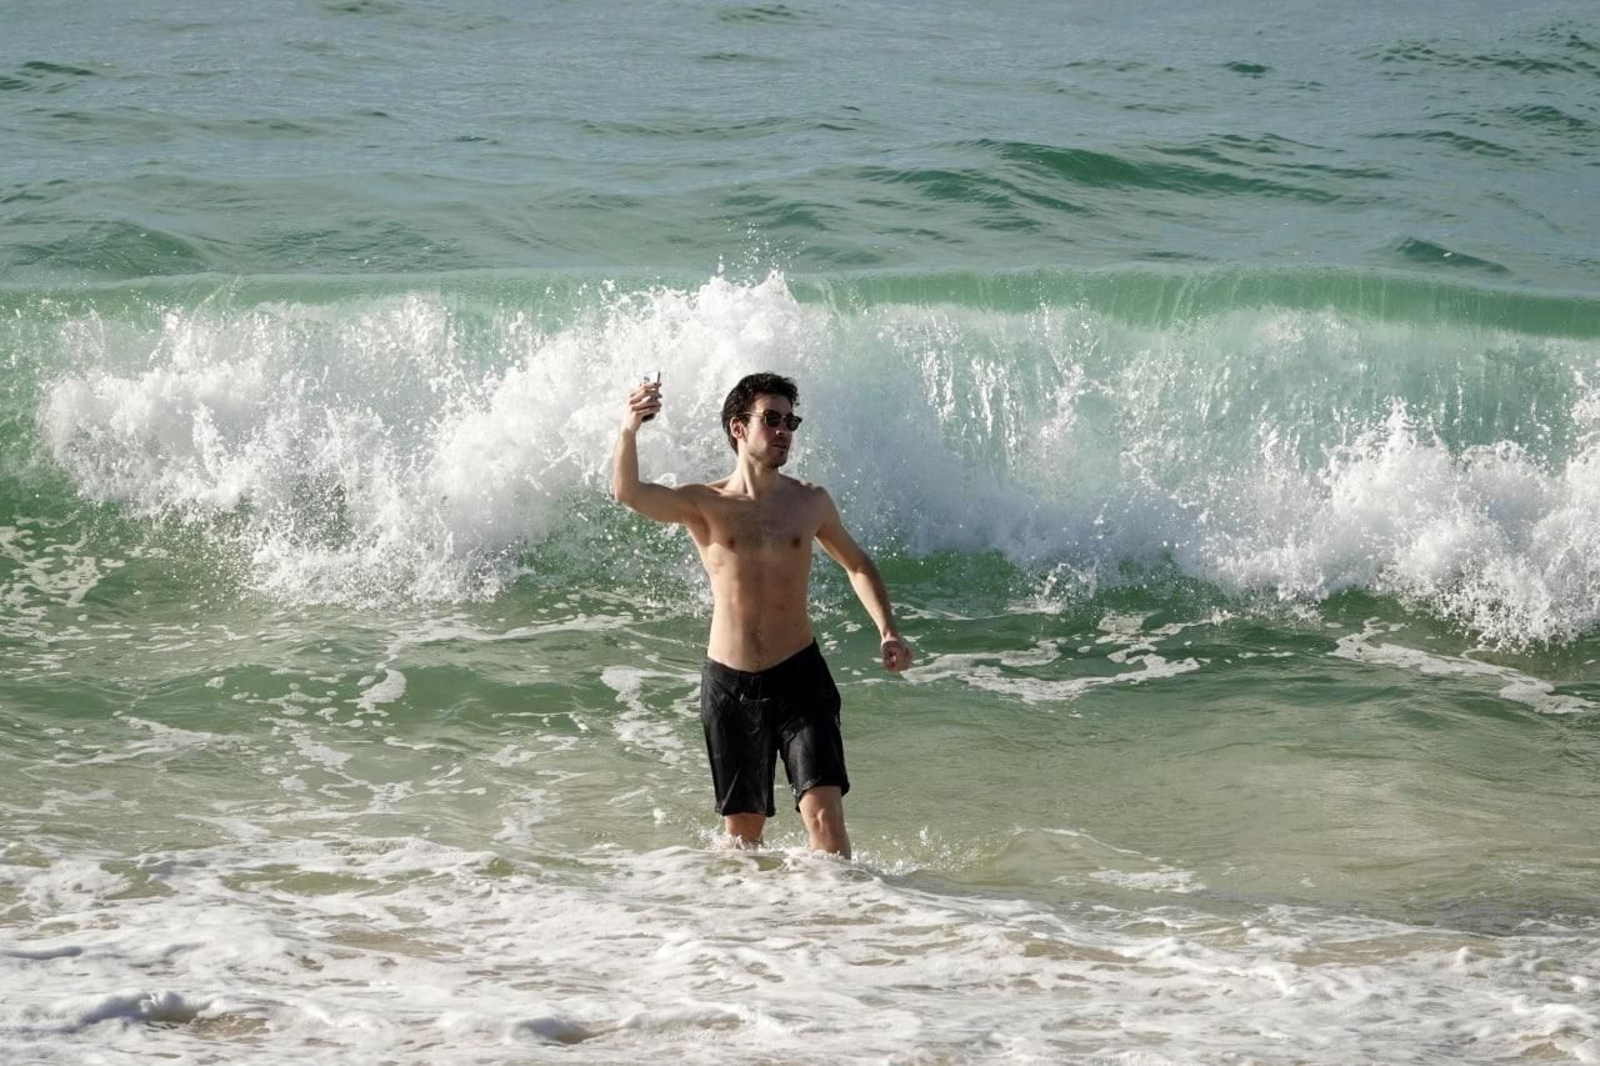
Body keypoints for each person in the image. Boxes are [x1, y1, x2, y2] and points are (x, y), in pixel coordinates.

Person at [611, 371, 912, 858]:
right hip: (730, 686)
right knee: (744, 839)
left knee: (825, 820)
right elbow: (628, 492)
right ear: (737, 428)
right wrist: (630, 426)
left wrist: (887, 630)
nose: (783, 431)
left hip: (800, 679)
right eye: (770, 419)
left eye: (789, 421)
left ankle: (841, 923)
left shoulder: (808, 501)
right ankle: (760, 932)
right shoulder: (704, 503)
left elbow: (856, 563)